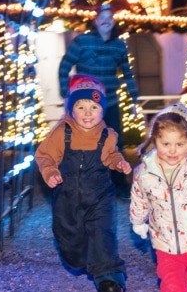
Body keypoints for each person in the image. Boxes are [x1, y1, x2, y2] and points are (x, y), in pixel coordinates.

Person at [35, 75, 132, 292]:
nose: (88, 112)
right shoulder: (62, 133)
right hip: (67, 197)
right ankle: (81, 259)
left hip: (99, 196)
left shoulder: (107, 135)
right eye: (81, 106)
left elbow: (111, 155)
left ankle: (109, 278)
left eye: (94, 106)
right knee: (70, 238)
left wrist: (119, 163)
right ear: (71, 110)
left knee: (102, 233)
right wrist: (50, 171)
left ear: (102, 110)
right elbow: (44, 156)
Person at [129, 105, 187, 292]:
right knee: (171, 286)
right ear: (155, 141)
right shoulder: (144, 172)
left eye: (179, 144)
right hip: (164, 243)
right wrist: (138, 220)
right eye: (166, 144)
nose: (172, 151)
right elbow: (139, 197)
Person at [58, 3, 140, 201]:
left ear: (113, 21)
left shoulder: (119, 45)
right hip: (86, 104)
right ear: (95, 21)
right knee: (85, 147)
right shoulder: (82, 42)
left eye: (109, 17)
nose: (106, 20)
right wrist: (66, 95)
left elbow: (128, 74)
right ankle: (86, 189)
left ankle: (119, 186)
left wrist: (135, 100)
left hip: (110, 102)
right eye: (102, 17)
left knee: (115, 144)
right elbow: (64, 67)